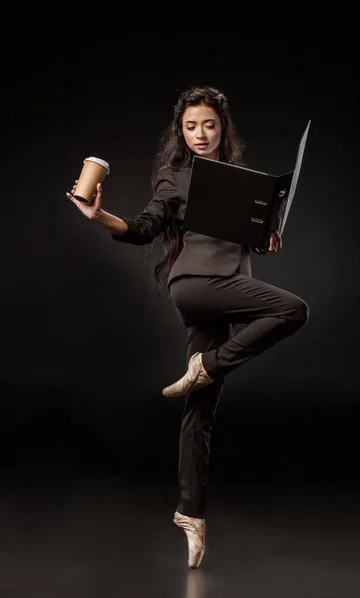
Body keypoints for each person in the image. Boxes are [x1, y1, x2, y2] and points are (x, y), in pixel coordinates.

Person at [66, 85, 309, 569]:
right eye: (191, 125)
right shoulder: (174, 177)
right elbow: (141, 230)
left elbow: (247, 242)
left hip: (228, 284)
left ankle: (191, 514)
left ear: (223, 129)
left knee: (201, 408)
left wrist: (266, 239)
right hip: (196, 285)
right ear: (181, 130)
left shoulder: (242, 182)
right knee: (293, 310)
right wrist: (98, 216)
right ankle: (209, 364)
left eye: (209, 125)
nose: (200, 134)